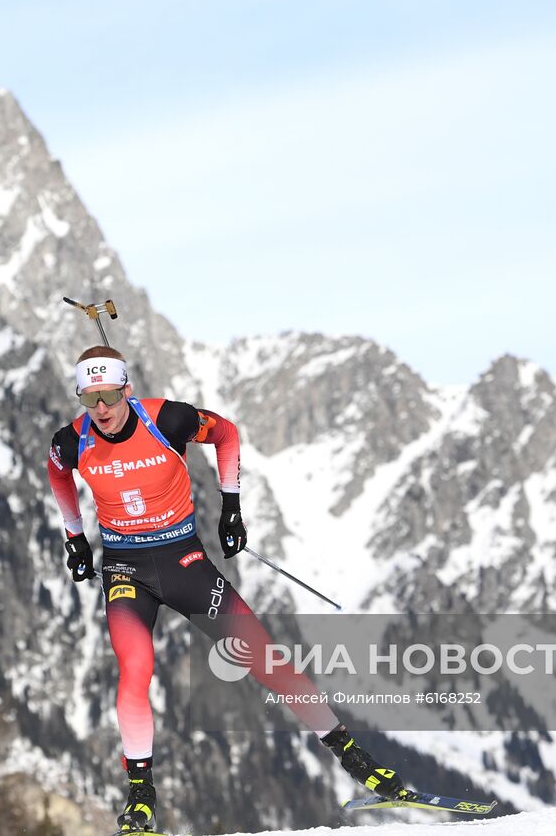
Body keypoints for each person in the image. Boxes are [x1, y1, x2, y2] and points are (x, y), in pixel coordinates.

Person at [47, 345, 412, 833]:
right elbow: (57, 472)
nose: (101, 409)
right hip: (125, 571)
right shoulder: (73, 441)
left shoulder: (168, 419)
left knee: (266, 662)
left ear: (126, 389)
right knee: (134, 670)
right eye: (89, 398)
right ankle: (141, 799)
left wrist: (231, 506)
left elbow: (226, 434)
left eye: (110, 394)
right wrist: (74, 535)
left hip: (184, 561)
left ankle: (354, 759)